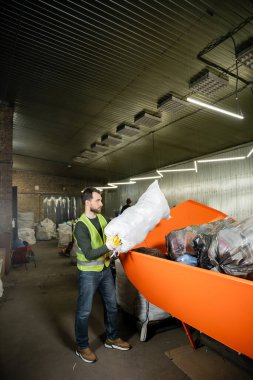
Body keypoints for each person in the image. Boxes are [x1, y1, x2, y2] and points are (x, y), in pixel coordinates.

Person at [73, 187, 131, 363]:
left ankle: (111, 338)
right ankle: (82, 346)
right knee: (84, 312)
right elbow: (90, 254)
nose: (101, 203)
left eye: (100, 200)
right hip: (88, 274)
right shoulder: (80, 226)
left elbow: (114, 234)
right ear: (87, 202)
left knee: (112, 306)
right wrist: (109, 246)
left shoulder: (104, 219)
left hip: (105, 270)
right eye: (98, 200)